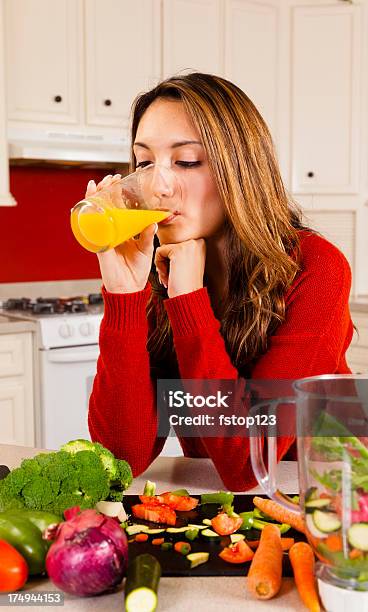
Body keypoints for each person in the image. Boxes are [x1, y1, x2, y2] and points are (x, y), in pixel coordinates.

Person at [88, 72, 353, 491]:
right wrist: (126, 295)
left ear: (240, 169)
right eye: (144, 162)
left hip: (324, 497)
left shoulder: (318, 269)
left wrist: (190, 301)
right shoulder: (163, 274)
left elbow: (248, 464)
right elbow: (122, 458)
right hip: (223, 511)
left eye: (187, 161)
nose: (158, 186)